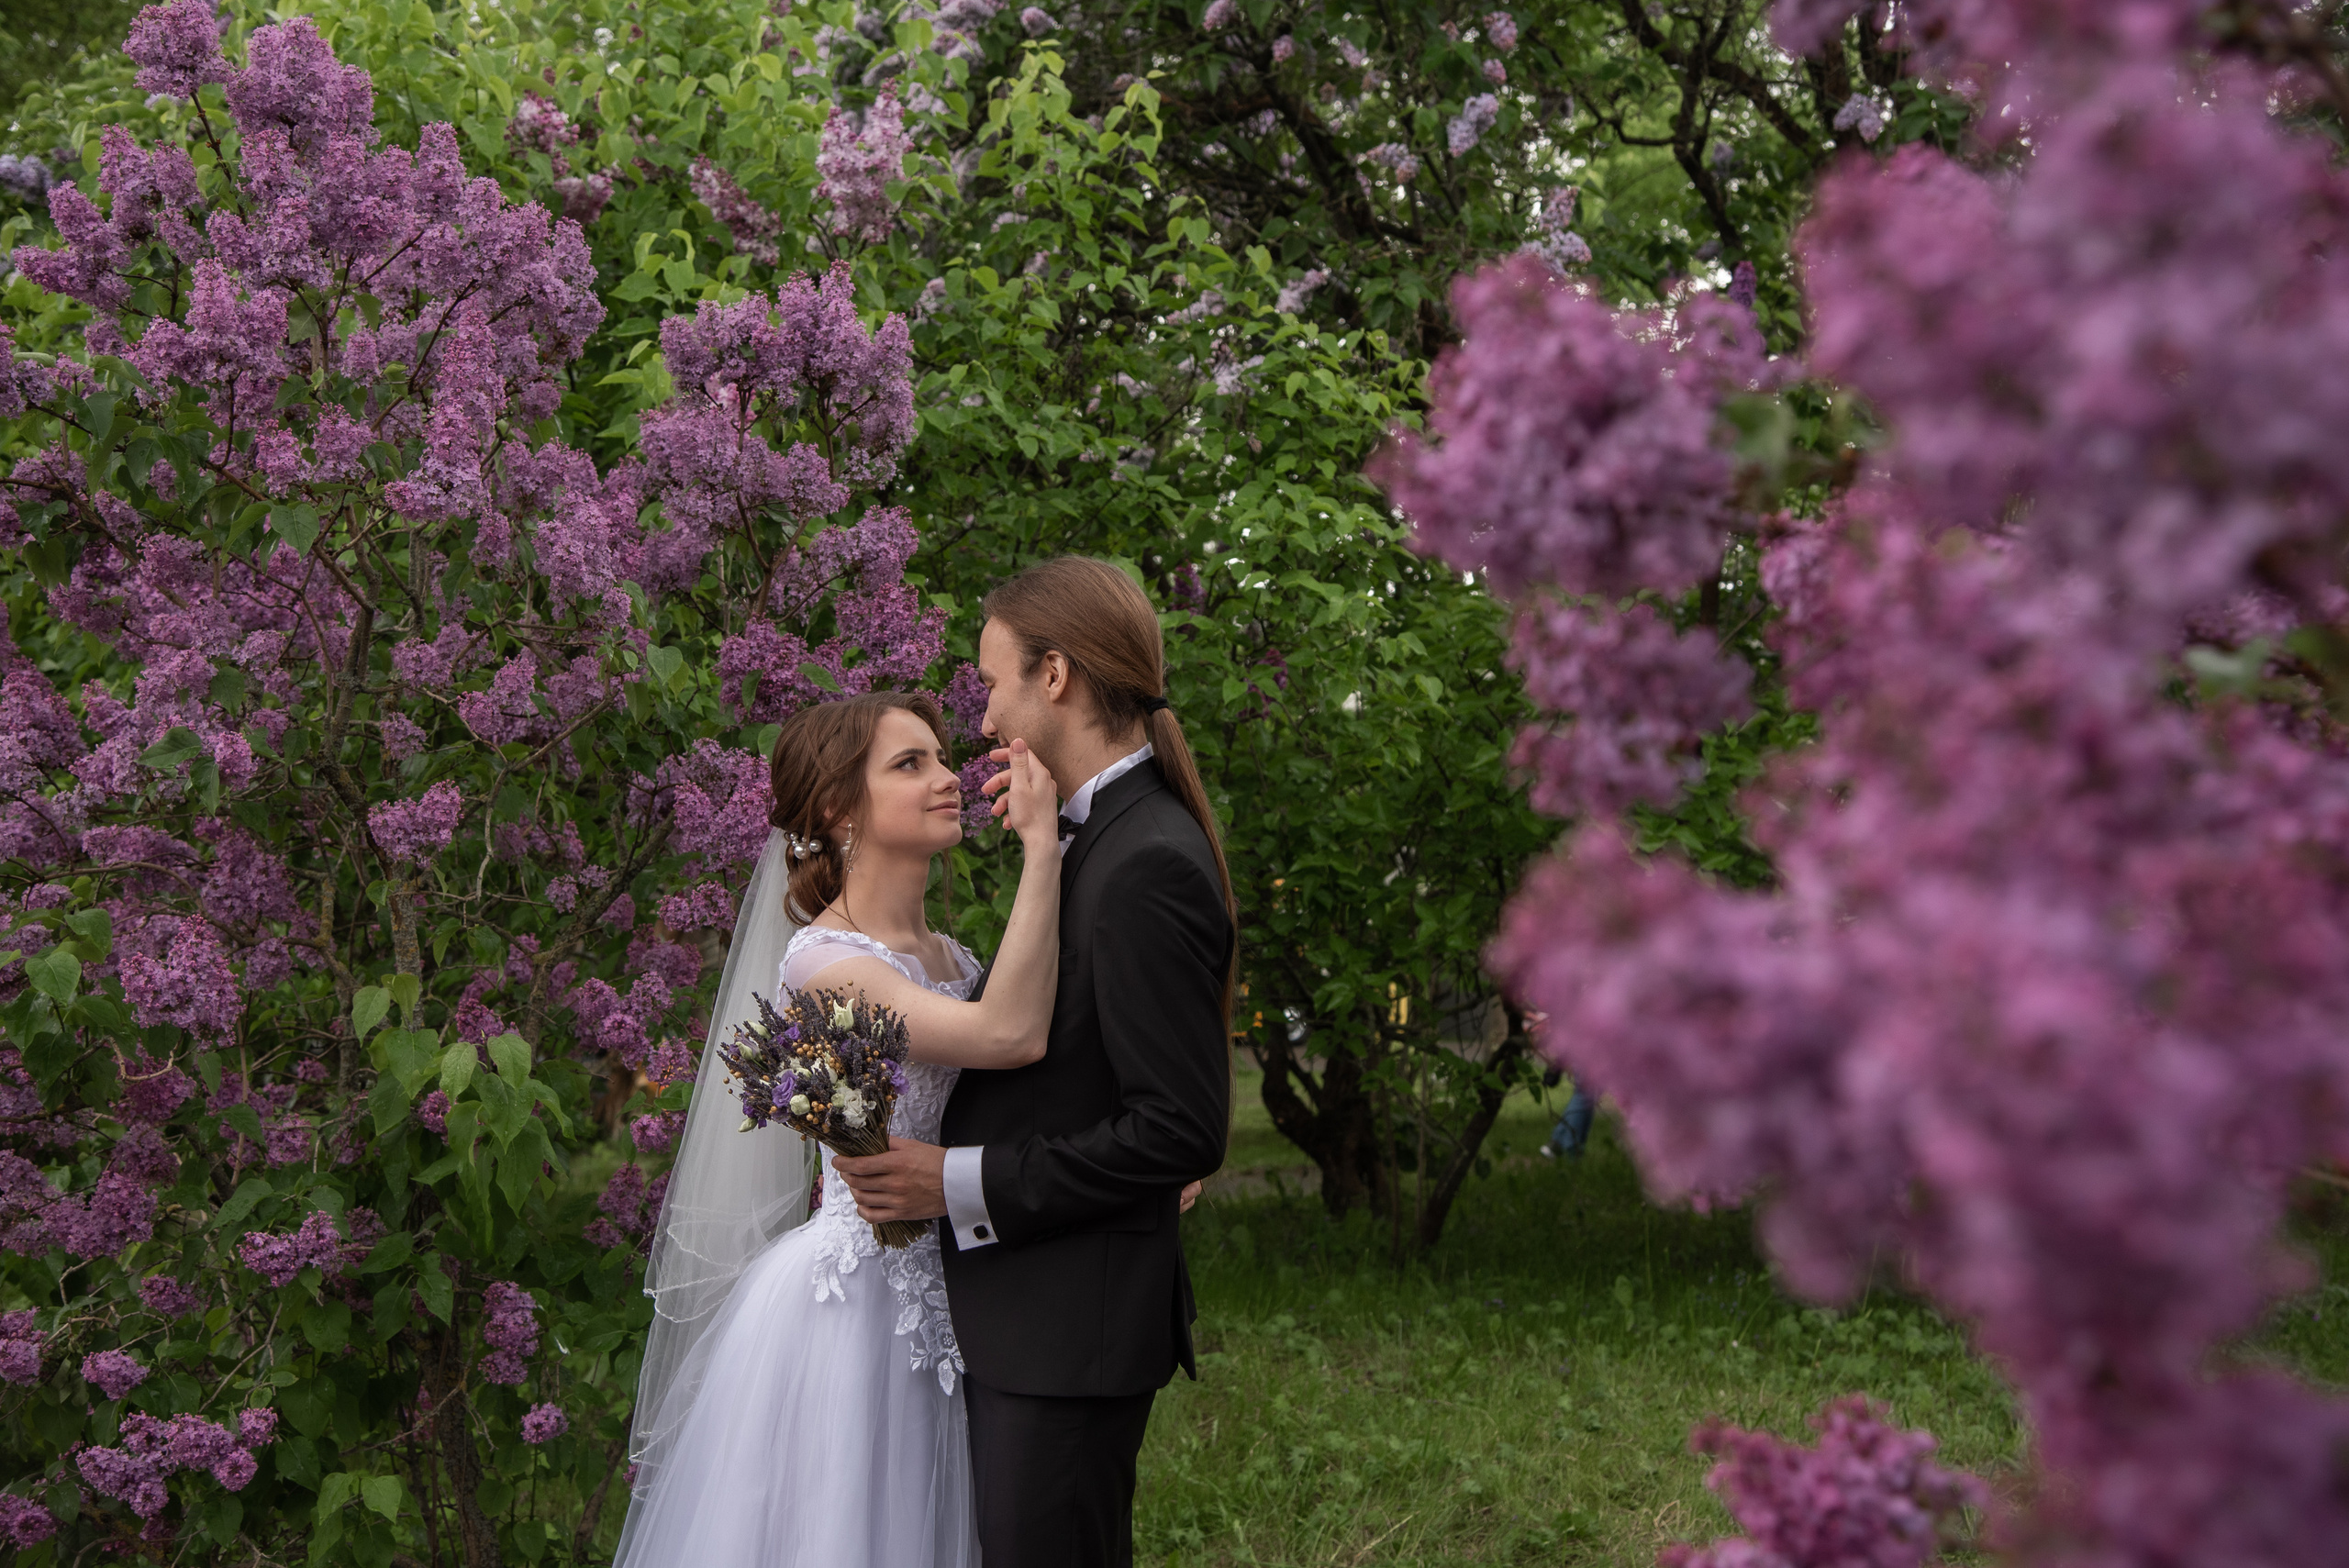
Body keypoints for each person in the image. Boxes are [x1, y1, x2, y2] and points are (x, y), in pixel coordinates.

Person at [836, 557, 1236, 1568]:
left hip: (1070, 1336)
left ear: (1053, 675)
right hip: (1035, 1321)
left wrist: (952, 1177)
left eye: (992, 682)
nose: (981, 720)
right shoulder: (1093, 838)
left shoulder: (1144, 858)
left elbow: (1181, 1128)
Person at [613, 691, 1067, 1568]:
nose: (947, 779)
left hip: (960, 1283)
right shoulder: (825, 962)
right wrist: (1043, 849)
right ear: (836, 810)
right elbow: (1007, 1035)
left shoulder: (951, 958)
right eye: (911, 765)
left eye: (940, 757)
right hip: (852, 1307)